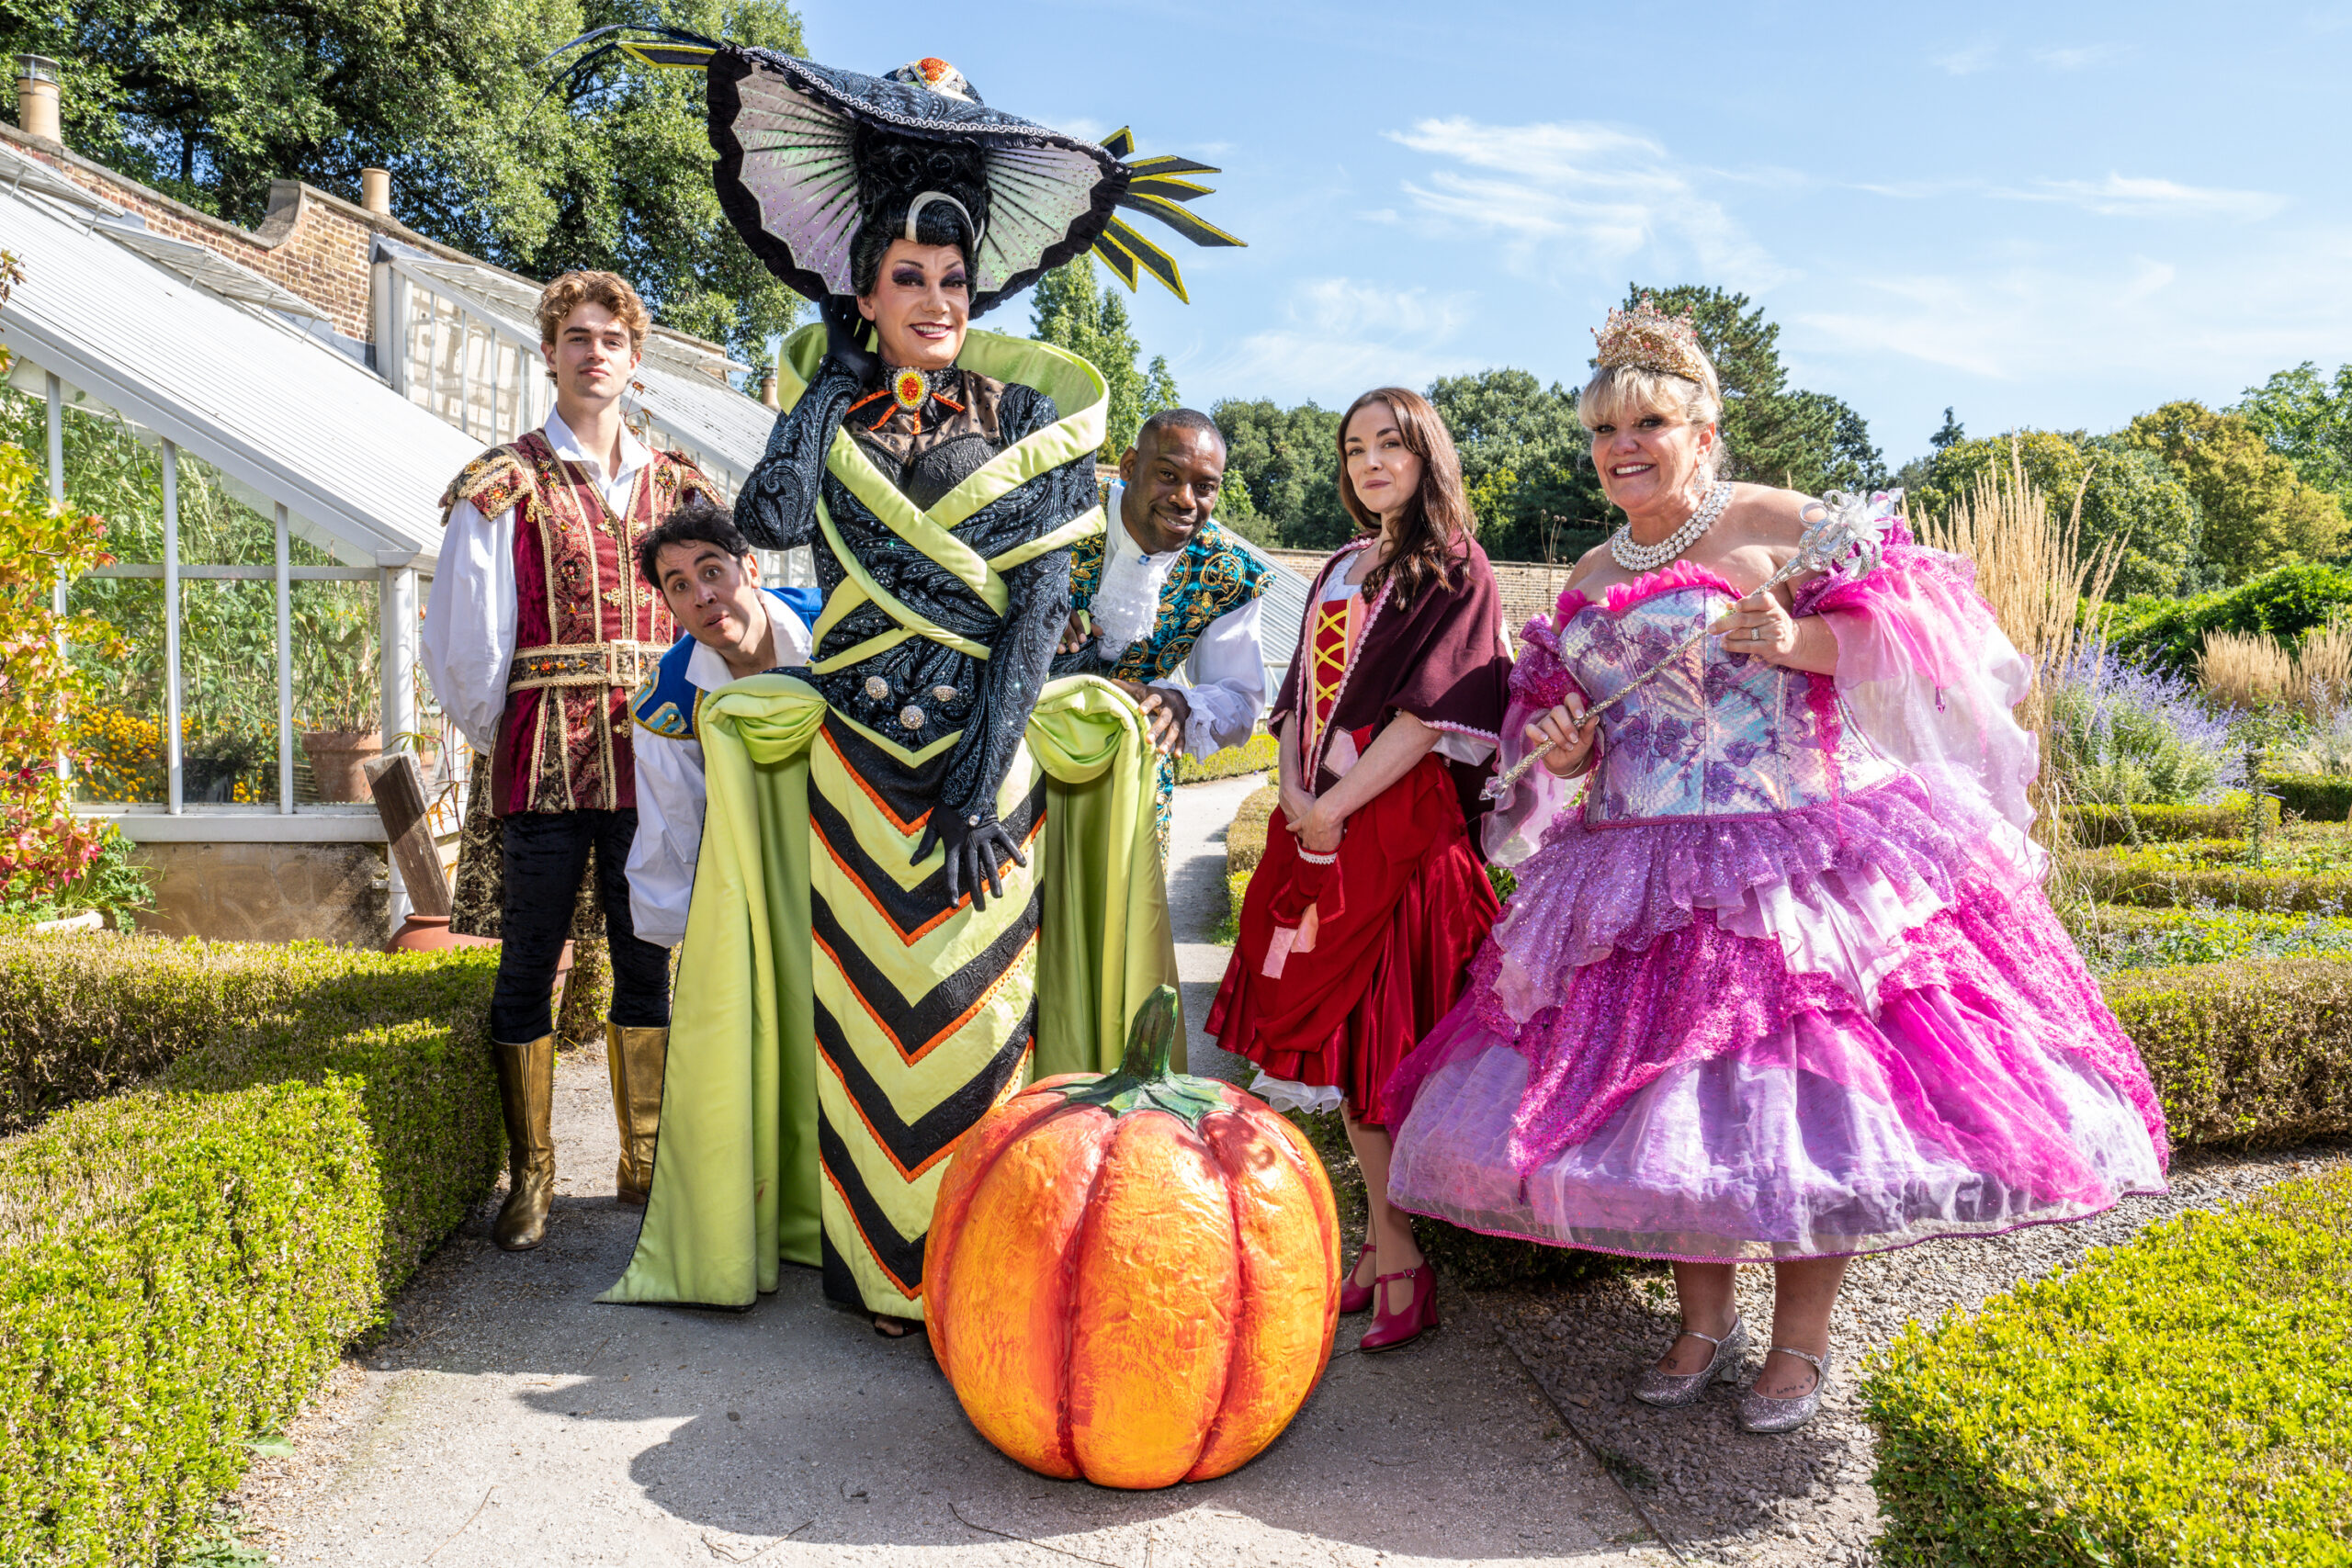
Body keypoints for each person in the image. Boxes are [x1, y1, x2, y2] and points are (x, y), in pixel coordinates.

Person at [1382, 299, 2170, 1432]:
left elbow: (1923, 647)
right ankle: (1701, 1325)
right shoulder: (1592, 569)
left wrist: (1796, 640)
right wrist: (1569, 741)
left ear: (1704, 433)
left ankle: (1798, 1346)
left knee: (1812, 1114)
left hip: (1794, 864)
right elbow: (1572, 727)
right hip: (1637, 872)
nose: (1621, 449)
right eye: (1604, 432)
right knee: (1665, 1109)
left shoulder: (1788, 526)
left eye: (1647, 423)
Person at [592, 45, 1238, 1335]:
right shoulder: (833, 400)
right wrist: (828, 376)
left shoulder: (1028, 417)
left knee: (978, 1009)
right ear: (868, 289)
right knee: (855, 1011)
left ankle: (975, 1269)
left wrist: (977, 780)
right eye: (907, 279)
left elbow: (1040, 615)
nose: (936, 298)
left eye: (951, 278)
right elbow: (770, 516)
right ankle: (872, 1267)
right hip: (849, 762)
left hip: (980, 774)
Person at [422, 269, 721, 1251]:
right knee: (528, 967)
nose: (595, 353)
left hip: (658, 765)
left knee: (647, 961)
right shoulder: (502, 483)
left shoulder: (680, 485)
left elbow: (720, 622)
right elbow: (468, 649)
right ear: (549, 352)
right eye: (577, 337)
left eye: (612, 338)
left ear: (636, 361)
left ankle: (642, 1165)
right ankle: (534, 1176)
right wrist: (507, 736)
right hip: (544, 756)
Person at [1207, 387, 1511, 1353]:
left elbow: (1430, 720)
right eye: (1353, 448)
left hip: (1401, 833)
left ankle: (1398, 1258)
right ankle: (1386, 1256)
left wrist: (1332, 808)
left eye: (1390, 444)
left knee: (1383, 1052)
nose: (1370, 462)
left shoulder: (1458, 569)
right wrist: (1293, 796)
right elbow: (1300, 698)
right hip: (1323, 827)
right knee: (1342, 1054)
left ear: (1427, 455)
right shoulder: (1340, 566)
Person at [1053, 407, 1272, 854]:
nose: (1186, 499)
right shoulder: (1057, 512)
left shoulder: (1230, 574)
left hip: (1134, 784)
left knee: (1123, 919)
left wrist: (1181, 702)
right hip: (1022, 759)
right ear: (1130, 466)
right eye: (1168, 475)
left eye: (1204, 486)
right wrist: (1029, 625)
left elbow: (1241, 699)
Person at [625, 497, 821, 951]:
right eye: (679, 586)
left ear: (751, 569)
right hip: (757, 868)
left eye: (712, 571)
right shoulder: (668, 700)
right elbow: (674, 826)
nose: (702, 596)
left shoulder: (838, 628)